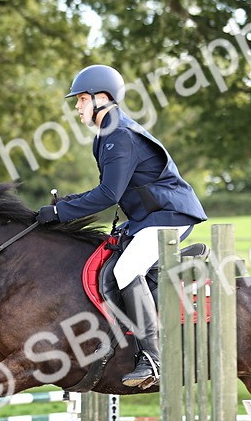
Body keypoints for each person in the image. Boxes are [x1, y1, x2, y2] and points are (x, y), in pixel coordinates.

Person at [35, 65, 207, 388]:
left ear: (102, 98)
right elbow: (113, 191)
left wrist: (61, 212)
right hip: (148, 219)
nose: (77, 107)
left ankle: (153, 358)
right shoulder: (107, 137)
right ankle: (171, 268)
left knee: (125, 270)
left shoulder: (119, 135)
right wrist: (63, 205)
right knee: (116, 259)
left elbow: (108, 195)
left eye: (81, 100)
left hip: (170, 216)